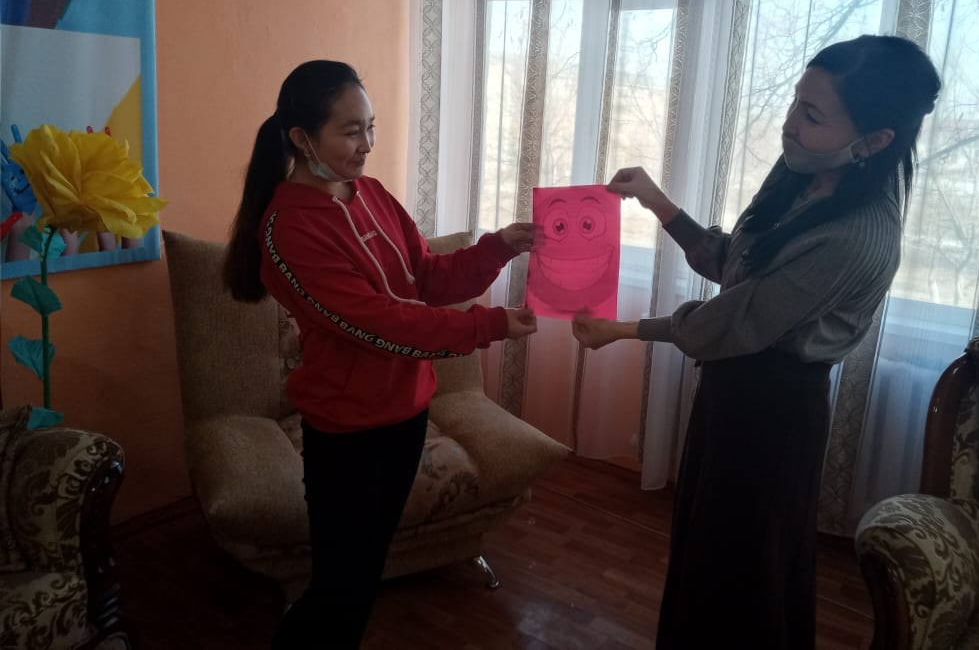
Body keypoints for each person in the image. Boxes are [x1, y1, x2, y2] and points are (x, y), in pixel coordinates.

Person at [572, 35, 941, 649]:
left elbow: (734, 321)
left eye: (812, 115)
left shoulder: (858, 235)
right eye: (795, 102)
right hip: (731, 388)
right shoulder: (802, 173)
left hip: (774, 411)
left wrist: (625, 330)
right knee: (704, 552)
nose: (789, 125)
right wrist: (657, 202)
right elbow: (733, 265)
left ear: (875, 141)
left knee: (743, 572)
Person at [222, 60, 538, 649]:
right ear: (301, 138)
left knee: (363, 574)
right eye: (350, 131)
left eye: (370, 126)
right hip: (348, 432)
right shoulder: (288, 229)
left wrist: (499, 247)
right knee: (341, 586)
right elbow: (378, 324)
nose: (367, 144)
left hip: (406, 415)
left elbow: (427, 278)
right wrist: (488, 325)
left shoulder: (371, 194)